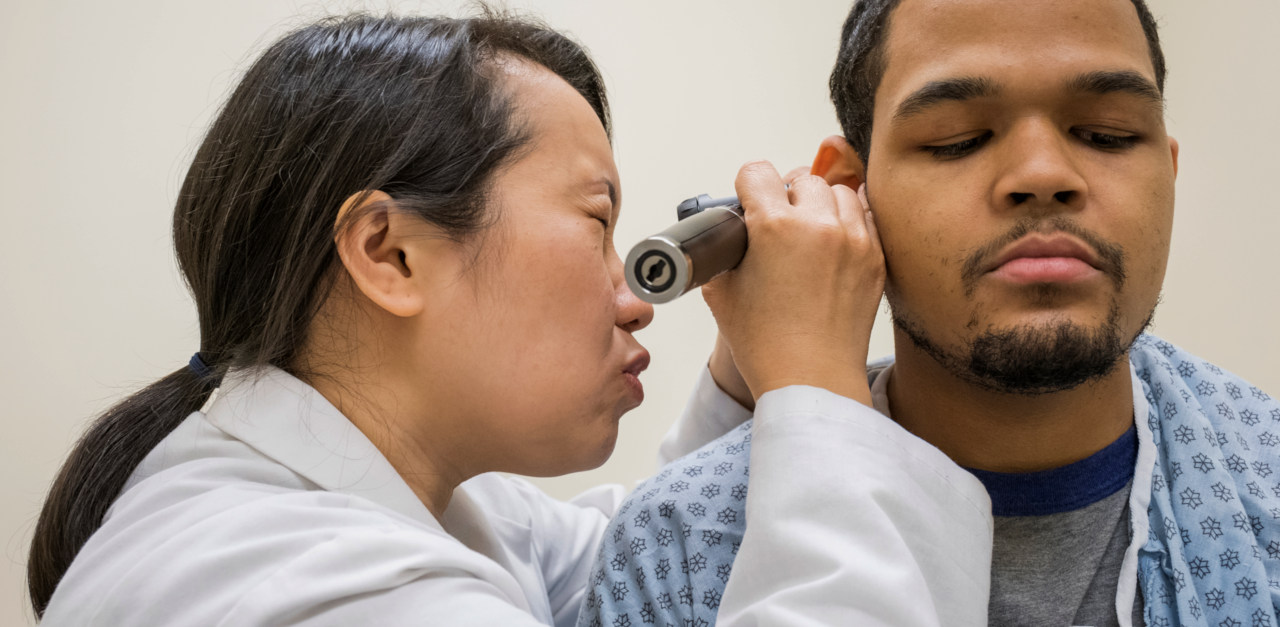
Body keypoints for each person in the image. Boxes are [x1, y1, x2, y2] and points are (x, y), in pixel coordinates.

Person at [27, 11, 989, 627]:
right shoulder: (315, 586)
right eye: (596, 222)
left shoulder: (432, 517)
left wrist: (749, 375)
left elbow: (635, 564)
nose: (632, 295)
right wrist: (816, 385)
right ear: (389, 253)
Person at [580, 0, 1280, 626]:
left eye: (1107, 133)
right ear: (852, 194)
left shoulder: (1266, 489)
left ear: (1169, 170)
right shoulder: (672, 554)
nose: (1043, 173)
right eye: (956, 139)